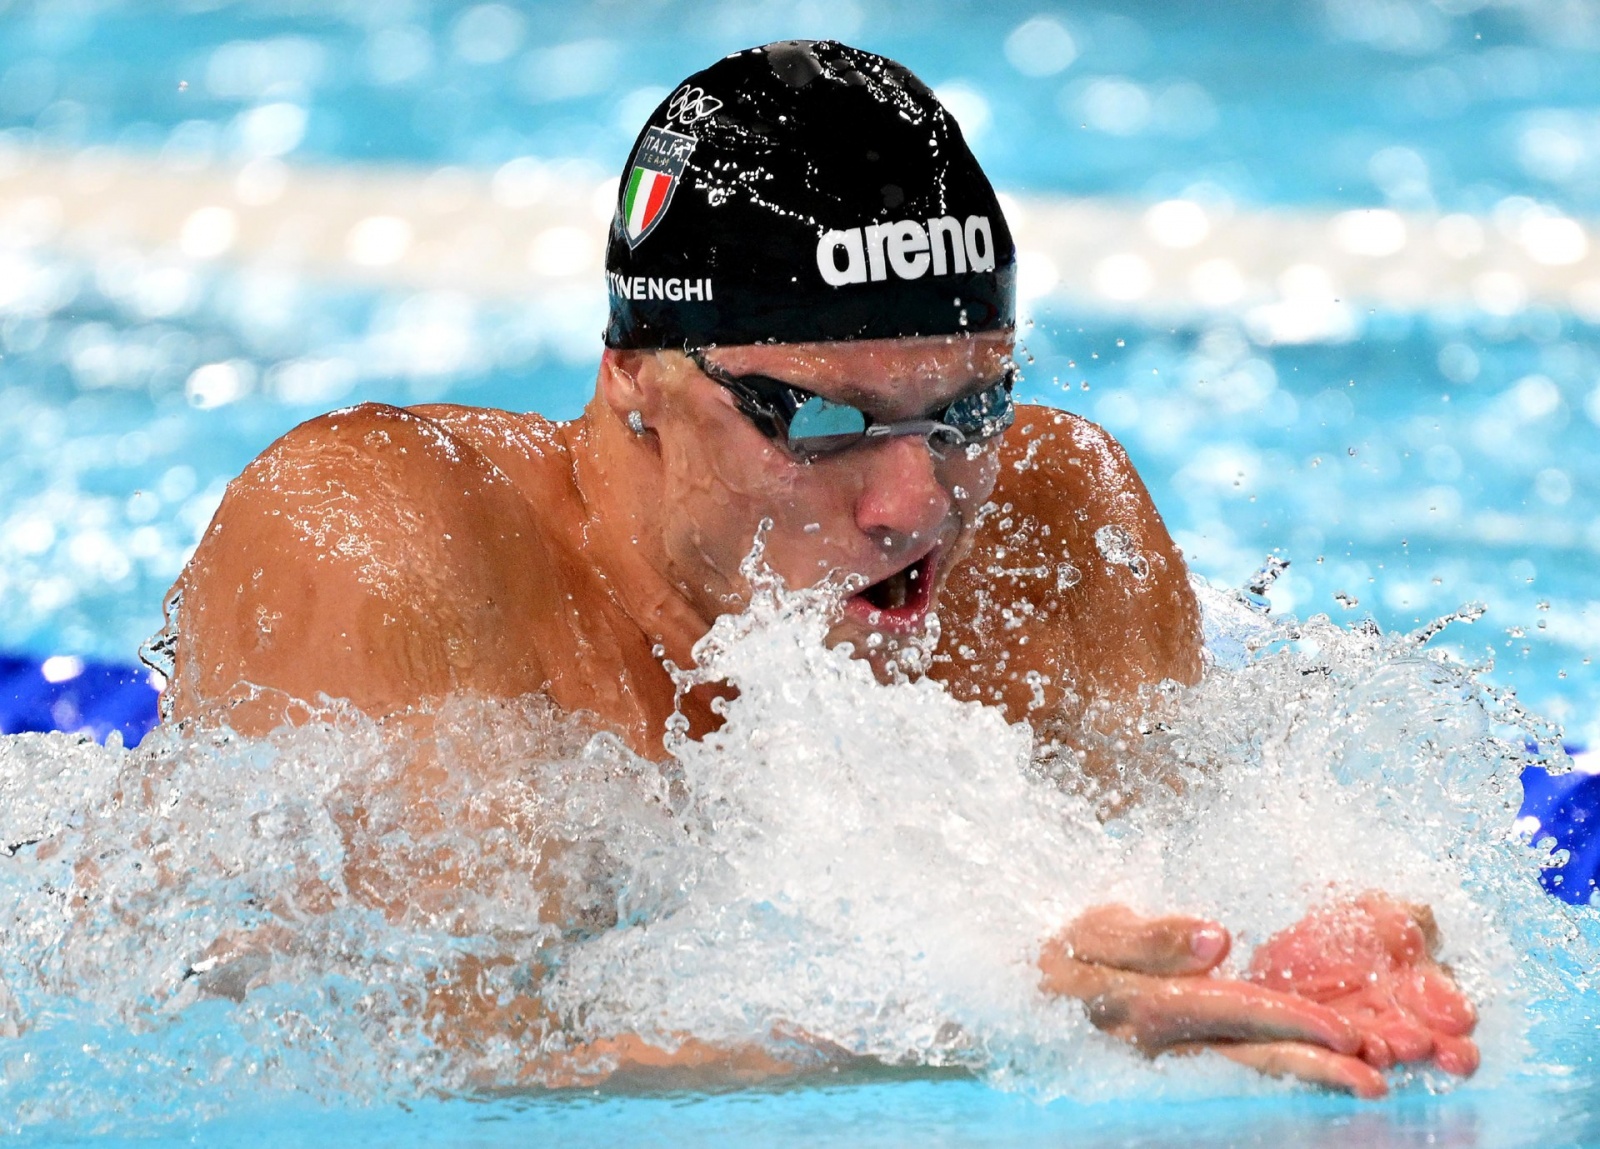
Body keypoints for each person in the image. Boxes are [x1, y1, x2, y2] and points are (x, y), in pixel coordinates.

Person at [162, 41, 1477, 1095]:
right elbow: (429, 1061)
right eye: (820, 423)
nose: (916, 504)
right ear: (636, 368)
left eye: (968, 408)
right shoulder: (389, 542)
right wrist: (987, 1016)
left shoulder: (1056, 520)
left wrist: (1307, 941)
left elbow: (1169, 914)